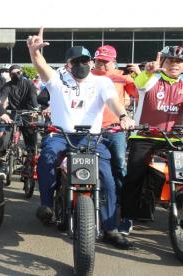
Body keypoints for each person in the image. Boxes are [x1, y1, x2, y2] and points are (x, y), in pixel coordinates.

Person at [28, 28, 135, 249]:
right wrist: (34, 53)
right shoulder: (57, 80)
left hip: (92, 139)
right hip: (60, 136)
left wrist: (123, 116)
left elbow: (113, 102)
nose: (82, 65)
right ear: (68, 64)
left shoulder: (102, 82)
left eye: (86, 60)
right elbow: (42, 66)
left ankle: (110, 228)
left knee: (108, 178)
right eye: (77, 61)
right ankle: (47, 204)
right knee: (47, 157)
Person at [119, 46, 183, 235]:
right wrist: (147, 72)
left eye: (178, 62)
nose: (174, 65)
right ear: (164, 63)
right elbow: (141, 84)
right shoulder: (151, 79)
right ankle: (127, 217)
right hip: (144, 136)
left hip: (175, 137)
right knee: (134, 176)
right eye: (170, 61)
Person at [92, 45, 138, 202]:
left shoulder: (123, 76)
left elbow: (140, 94)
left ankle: (121, 202)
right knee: (91, 165)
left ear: (114, 62)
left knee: (118, 165)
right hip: (91, 130)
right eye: (98, 61)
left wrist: (139, 75)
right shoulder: (87, 75)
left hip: (115, 129)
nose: (101, 65)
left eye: (106, 61)